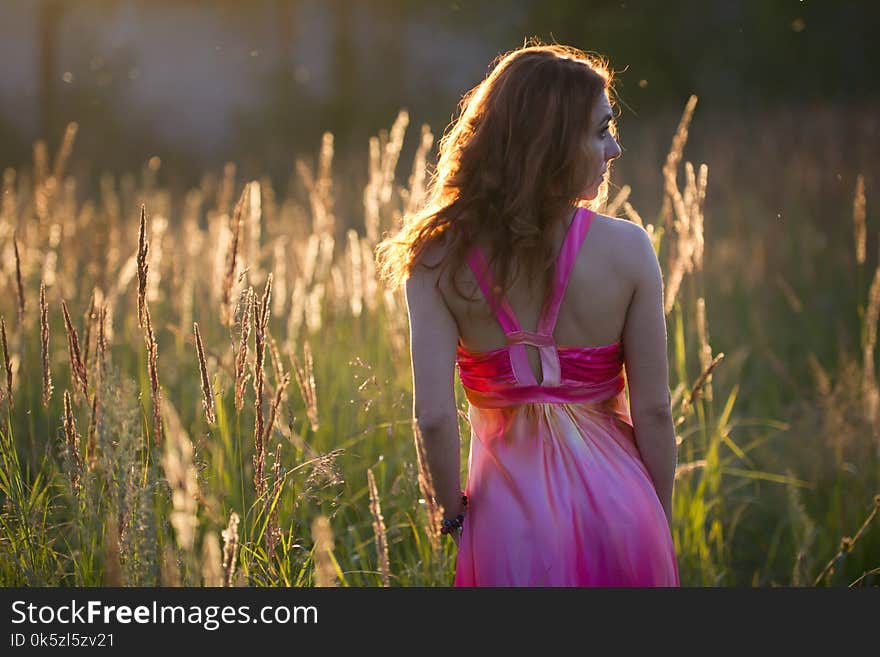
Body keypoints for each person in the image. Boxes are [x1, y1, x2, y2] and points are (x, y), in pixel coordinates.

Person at [375, 42, 680, 586]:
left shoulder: (435, 260)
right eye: (600, 130)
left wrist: (450, 514)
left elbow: (434, 418)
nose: (614, 149)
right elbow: (653, 412)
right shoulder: (629, 249)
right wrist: (654, 520)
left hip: (506, 524)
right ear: (552, 145)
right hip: (623, 509)